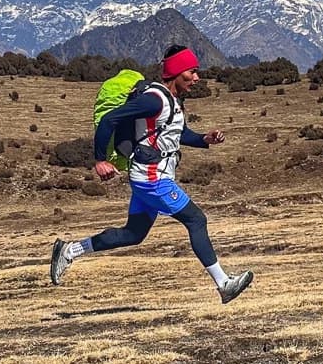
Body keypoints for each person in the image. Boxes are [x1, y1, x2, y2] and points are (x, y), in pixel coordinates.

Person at [50, 45, 253, 304]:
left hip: (149, 177)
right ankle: (224, 284)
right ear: (178, 72)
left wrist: (204, 139)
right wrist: (99, 160)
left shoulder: (173, 102)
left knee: (133, 234)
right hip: (152, 178)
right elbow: (109, 120)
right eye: (192, 71)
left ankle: (69, 251)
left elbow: (177, 133)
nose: (197, 78)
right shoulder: (154, 99)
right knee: (196, 220)